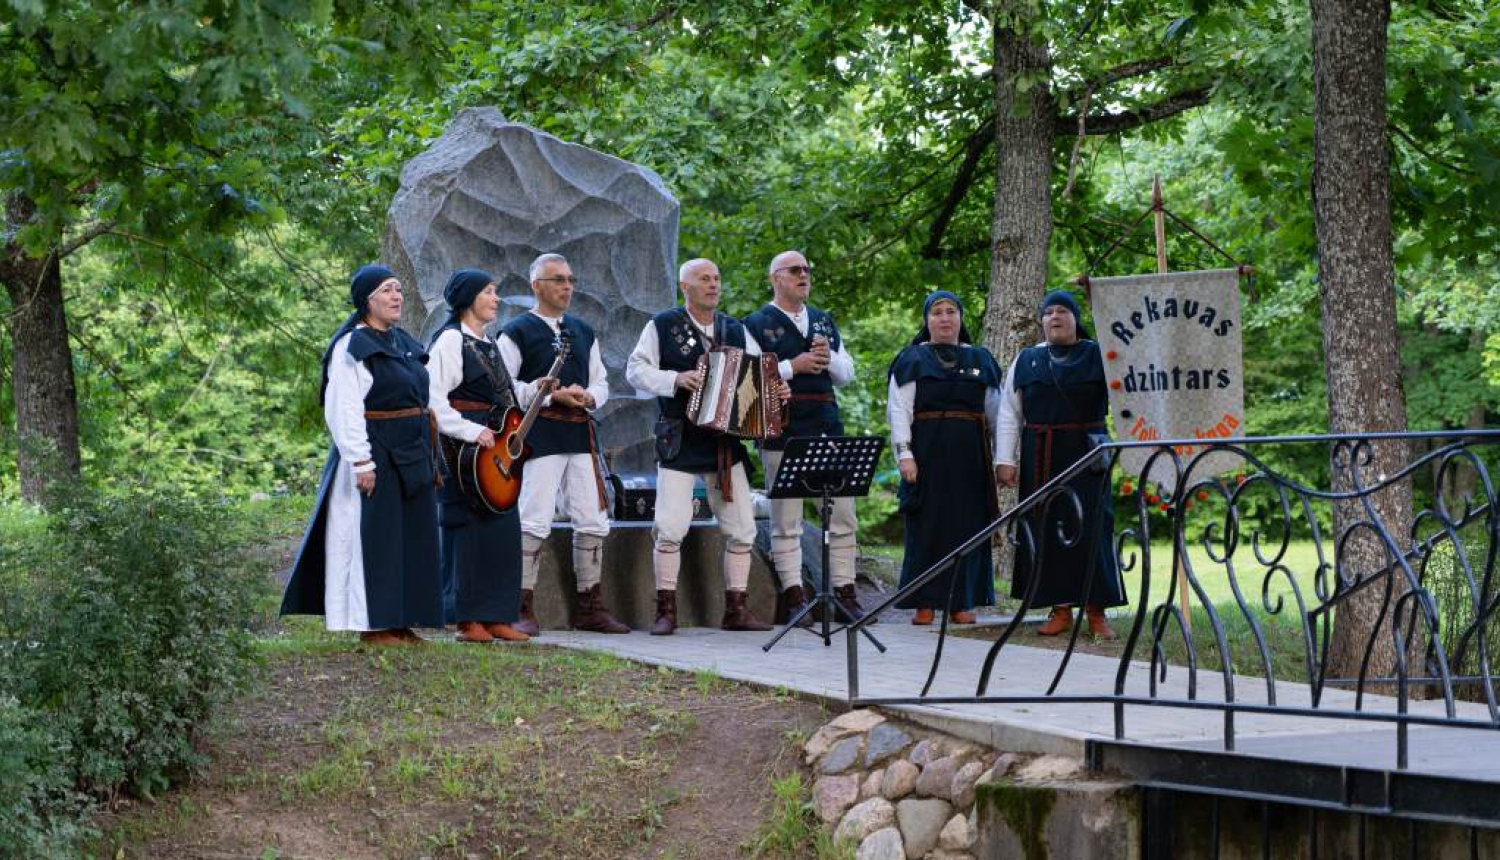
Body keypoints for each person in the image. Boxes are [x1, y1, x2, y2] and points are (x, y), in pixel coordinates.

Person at [282, 265, 443, 645]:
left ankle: (401, 618)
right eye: (387, 290)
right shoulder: (352, 347)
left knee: (410, 538)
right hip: (375, 455)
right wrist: (361, 460)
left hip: (411, 455)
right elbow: (344, 407)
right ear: (366, 299)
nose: (396, 296)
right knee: (372, 539)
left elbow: (425, 398)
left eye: (399, 290)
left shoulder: (403, 342)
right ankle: (373, 624)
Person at [625, 258, 787, 635]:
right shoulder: (662, 325)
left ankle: (736, 610)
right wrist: (674, 378)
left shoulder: (735, 328)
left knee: (743, 528)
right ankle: (666, 611)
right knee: (670, 526)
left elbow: (761, 375)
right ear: (685, 287)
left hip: (724, 443)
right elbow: (635, 370)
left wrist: (776, 390)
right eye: (704, 279)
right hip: (680, 440)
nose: (713, 284)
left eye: (716, 278)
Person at [499, 253, 629, 635]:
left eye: (570, 280)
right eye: (558, 280)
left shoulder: (584, 331)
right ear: (536, 285)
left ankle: (590, 607)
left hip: (579, 434)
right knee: (533, 517)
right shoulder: (517, 331)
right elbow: (505, 386)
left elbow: (601, 381)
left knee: (592, 517)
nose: (567, 286)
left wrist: (589, 397)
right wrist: (546, 393)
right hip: (538, 435)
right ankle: (520, 606)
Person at [743, 250, 866, 626]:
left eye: (807, 270)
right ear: (775, 278)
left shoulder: (824, 321)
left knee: (843, 515)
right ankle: (795, 595)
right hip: (784, 432)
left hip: (828, 428)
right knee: (786, 520)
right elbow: (748, 382)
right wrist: (791, 367)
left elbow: (847, 374)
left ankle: (845, 594)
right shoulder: (754, 324)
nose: (804, 276)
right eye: (795, 270)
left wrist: (829, 358)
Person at [995, 290, 1124, 639]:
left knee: (1094, 529)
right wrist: (1004, 460)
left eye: (1062, 311)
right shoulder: (1026, 360)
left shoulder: (1101, 354)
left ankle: (1097, 612)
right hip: (1042, 455)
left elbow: (1128, 400)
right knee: (1047, 530)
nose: (1054, 317)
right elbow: (1009, 413)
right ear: (1041, 321)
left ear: (1075, 318)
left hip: (1088, 454)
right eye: (1048, 312)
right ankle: (1060, 609)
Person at [426, 268, 531, 643]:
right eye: (489, 292)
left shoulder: (489, 342)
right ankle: (467, 618)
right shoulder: (450, 342)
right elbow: (434, 400)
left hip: (495, 446)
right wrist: (473, 432)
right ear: (470, 298)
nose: (496, 299)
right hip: (462, 450)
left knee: (501, 529)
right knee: (468, 532)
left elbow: (504, 396)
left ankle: (498, 615)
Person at [887, 290, 1001, 625]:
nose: (945, 317)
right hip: (926, 455)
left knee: (967, 526)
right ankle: (925, 602)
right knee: (928, 526)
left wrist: (1002, 458)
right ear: (927, 320)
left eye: (952, 311)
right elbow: (898, 410)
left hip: (970, 458)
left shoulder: (981, 360)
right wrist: (904, 454)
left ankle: (962, 602)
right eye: (937, 312)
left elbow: (997, 413)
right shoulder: (911, 359)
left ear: (960, 318)